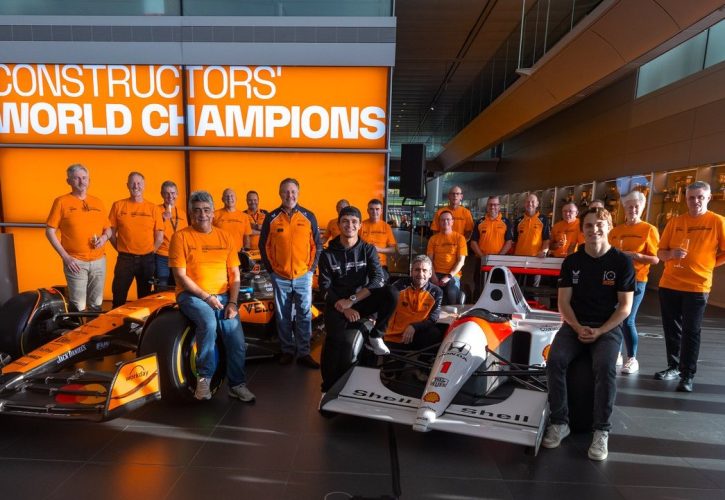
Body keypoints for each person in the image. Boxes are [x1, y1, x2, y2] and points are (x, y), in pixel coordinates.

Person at [542, 207, 635, 461]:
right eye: (589, 225)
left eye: (599, 224)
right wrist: (576, 327)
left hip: (607, 327)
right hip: (575, 325)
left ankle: (601, 430)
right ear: (582, 230)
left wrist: (601, 330)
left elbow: (625, 307)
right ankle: (560, 422)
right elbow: (563, 303)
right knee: (555, 361)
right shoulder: (572, 262)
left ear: (609, 227)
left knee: (604, 366)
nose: (594, 229)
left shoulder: (622, 262)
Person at [169, 191, 255, 402]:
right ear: (191, 213)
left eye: (206, 210)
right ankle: (204, 378)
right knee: (208, 323)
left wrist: (232, 302)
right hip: (192, 296)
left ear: (213, 212)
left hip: (224, 296)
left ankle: (237, 385)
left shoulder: (225, 237)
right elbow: (180, 276)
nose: (202, 215)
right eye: (197, 210)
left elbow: (234, 274)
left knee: (236, 338)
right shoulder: (180, 237)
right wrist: (207, 297)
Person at [655, 181, 725, 392]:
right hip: (669, 283)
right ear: (685, 199)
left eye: (700, 197)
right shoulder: (675, 222)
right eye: (691, 197)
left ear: (708, 198)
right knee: (672, 329)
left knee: (691, 331)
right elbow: (660, 253)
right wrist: (671, 254)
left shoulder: (717, 221)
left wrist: (708, 264)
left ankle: (687, 375)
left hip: (697, 286)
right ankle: (674, 366)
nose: (695, 201)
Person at [318, 205, 397, 391]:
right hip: (337, 303)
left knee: (391, 293)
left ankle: (376, 335)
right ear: (338, 224)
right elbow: (324, 288)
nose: (350, 225)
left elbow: (378, 279)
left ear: (360, 225)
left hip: (360, 300)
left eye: (354, 222)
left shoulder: (368, 249)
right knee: (334, 342)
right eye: (345, 221)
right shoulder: (327, 254)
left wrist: (352, 301)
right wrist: (344, 307)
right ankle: (327, 388)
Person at [259, 178, 322, 368]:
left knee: (304, 315)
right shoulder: (271, 218)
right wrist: (272, 271)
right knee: (283, 315)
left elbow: (317, 245)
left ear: (298, 193)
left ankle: (303, 353)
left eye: (293, 191)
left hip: (303, 275)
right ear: (280, 193)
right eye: (286, 192)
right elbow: (264, 246)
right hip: (280, 276)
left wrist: (310, 270)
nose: (290, 195)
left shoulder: (308, 216)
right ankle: (287, 350)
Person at [46, 164, 111, 312]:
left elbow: (108, 229)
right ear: (68, 181)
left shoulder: (98, 202)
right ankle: (78, 327)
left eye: (84, 178)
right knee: (78, 306)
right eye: (76, 178)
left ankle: (94, 328)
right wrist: (66, 257)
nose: (81, 181)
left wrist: (104, 238)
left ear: (89, 180)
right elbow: (49, 231)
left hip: (99, 261)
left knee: (96, 304)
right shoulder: (61, 202)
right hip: (75, 262)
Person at [608, 191, 659, 375]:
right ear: (625, 208)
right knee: (614, 318)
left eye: (637, 206)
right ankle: (617, 353)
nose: (633, 210)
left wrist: (636, 256)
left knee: (627, 319)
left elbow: (655, 259)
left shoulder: (649, 229)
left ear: (642, 208)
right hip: (615, 280)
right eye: (630, 206)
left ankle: (632, 358)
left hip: (637, 280)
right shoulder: (615, 231)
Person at [109, 172, 164, 308]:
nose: (136, 186)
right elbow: (111, 233)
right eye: (132, 183)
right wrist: (121, 249)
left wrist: (150, 252)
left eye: (139, 183)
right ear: (127, 185)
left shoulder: (153, 208)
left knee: (144, 300)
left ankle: (141, 323)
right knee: (118, 297)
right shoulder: (118, 206)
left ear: (144, 185)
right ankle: (117, 322)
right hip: (125, 259)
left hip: (147, 260)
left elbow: (159, 236)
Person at [385, 254, 443, 353]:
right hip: (395, 335)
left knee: (435, 333)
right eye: (417, 270)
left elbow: (433, 318)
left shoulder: (436, 292)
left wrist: (414, 326)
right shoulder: (398, 286)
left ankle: (423, 361)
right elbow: (384, 305)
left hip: (418, 332)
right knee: (393, 363)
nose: (420, 274)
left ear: (430, 274)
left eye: (424, 270)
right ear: (411, 272)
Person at [470, 196, 513, 297]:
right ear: (487, 206)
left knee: (498, 287)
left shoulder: (506, 222)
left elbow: (509, 242)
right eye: (490, 205)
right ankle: (477, 304)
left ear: (499, 206)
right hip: (481, 261)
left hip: (499, 262)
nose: (493, 207)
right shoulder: (480, 222)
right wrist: (482, 257)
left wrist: (498, 257)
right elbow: (473, 242)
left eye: (495, 205)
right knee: (479, 286)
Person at [427, 210, 467, 305]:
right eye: (442, 220)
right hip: (436, 273)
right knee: (430, 294)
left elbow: (461, 261)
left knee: (451, 292)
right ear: (439, 222)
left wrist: (448, 276)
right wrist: (433, 277)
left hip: (453, 275)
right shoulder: (433, 239)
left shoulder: (460, 238)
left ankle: (452, 313)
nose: (445, 222)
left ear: (452, 222)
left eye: (448, 219)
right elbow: (429, 260)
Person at [155, 180, 187, 288]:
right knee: (162, 285)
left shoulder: (182, 213)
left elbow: (185, 234)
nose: (170, 196)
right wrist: (162, 219)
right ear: (162, 194)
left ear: (177, 194)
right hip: (161, 255)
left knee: (178, 286)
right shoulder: (156, 210)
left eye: (173, 193)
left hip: (178, 256)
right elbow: (149, 231)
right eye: (166, 193)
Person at [360, 198, 398, 278]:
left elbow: (393, 249)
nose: (374, 212)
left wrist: (377, 249)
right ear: (367, 211)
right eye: (371, 209)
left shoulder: (386, 227)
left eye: (377, 209)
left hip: (381, 265)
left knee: (382, 283)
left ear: (381, 211)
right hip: (364, 264)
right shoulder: (361, 226)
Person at [213, 188, 252, 252]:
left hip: (238, 254)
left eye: (232, 196)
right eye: (227, 196)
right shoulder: (214, 215)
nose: (229, 198)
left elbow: (246, 237)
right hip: (219, 253)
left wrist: (246, 252)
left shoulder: (244, 216)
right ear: (222, 199)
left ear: (236, 198)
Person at [513, 193, 551, 258]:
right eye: (528, 202)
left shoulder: (543, 220)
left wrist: (544, 252)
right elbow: (515, 240)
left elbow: (546, 239)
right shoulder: (518, 220)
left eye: (533, 202)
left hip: (536, 258)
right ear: (524, 204)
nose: (530, 204)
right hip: (519, 256)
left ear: (537, 204)